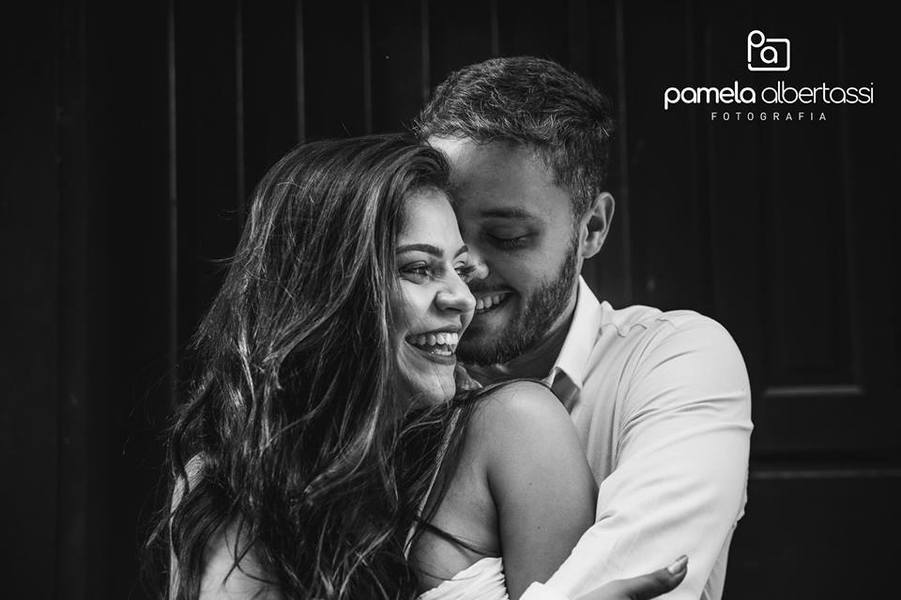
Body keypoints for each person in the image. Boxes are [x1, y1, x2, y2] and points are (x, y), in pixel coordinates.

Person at [150, 135, 687, 599]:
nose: (463, 299)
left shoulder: (513, 431)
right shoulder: (215, 483)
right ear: (325, 288)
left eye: (458, 269)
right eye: (419, 269)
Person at [414, 56, 753, 600]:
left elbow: (642, 584)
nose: (464, 269)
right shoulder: (394, 376)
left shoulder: (678, 361)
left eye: (506, 237)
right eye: (444, 233)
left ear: (591, 228)